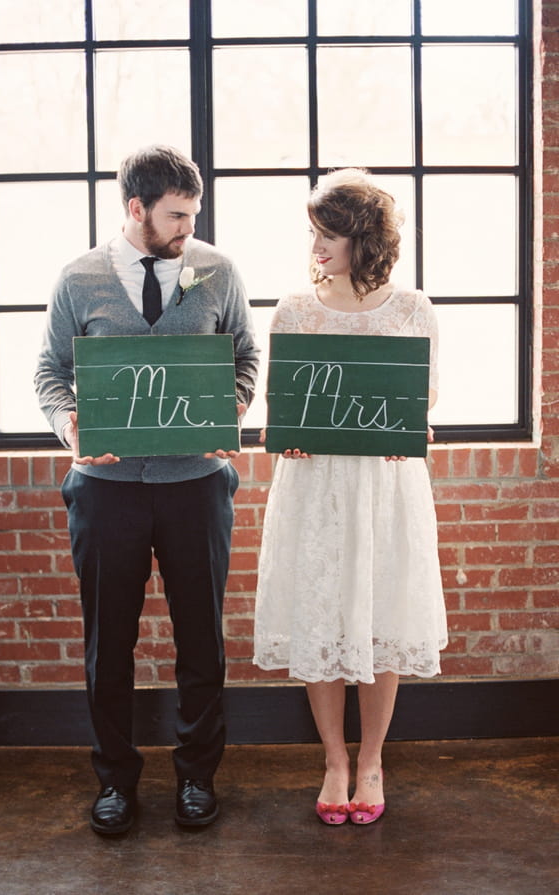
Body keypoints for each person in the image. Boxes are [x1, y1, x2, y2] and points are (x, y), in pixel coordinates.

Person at [35, 144, 259, 834]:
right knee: (109, 642)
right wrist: (67, 424)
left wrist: (236, 406)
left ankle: (197, 775)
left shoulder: (217, 271)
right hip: (105, 490)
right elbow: (49, 371)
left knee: (202, 639)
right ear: (137, 209)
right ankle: (115, 782)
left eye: (192, 215)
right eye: (177, 216)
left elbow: (247, 355)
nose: (189, 228)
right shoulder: (78, 278)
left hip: (197, 484)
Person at [253, 168, 447, 826]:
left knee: (380, 618)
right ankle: (333, 757)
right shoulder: (294, 307)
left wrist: (415, 425)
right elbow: (279, 406)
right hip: (316, 487)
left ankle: (372, 758)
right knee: (321, 616)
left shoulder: (414, 307)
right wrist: (283, 436)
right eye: (312, 232)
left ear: (362, 238)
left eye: (326, 233)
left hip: (384, 488)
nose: (315, 245)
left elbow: (425, 400)